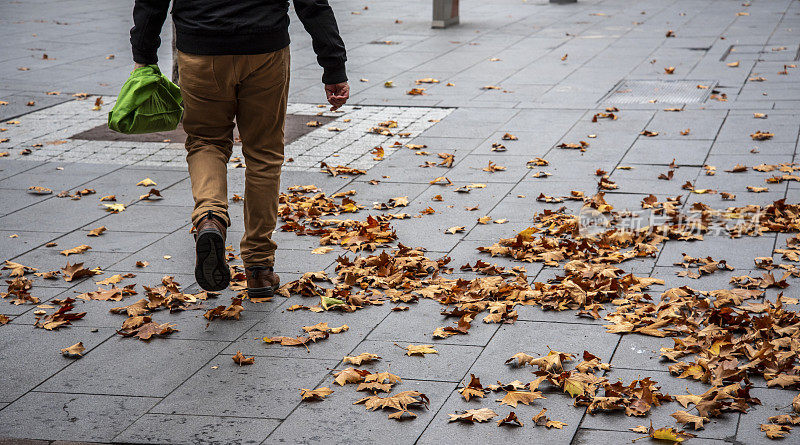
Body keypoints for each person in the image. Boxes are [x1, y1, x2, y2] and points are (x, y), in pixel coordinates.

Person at [129, 0, 349, 297]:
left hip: (200, 47)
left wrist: (143, 53)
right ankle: (259, 268)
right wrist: (333, 65)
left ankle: (210, 218)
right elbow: (312, 3)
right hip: (265, 48)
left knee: (206, 141)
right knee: (264, 154)